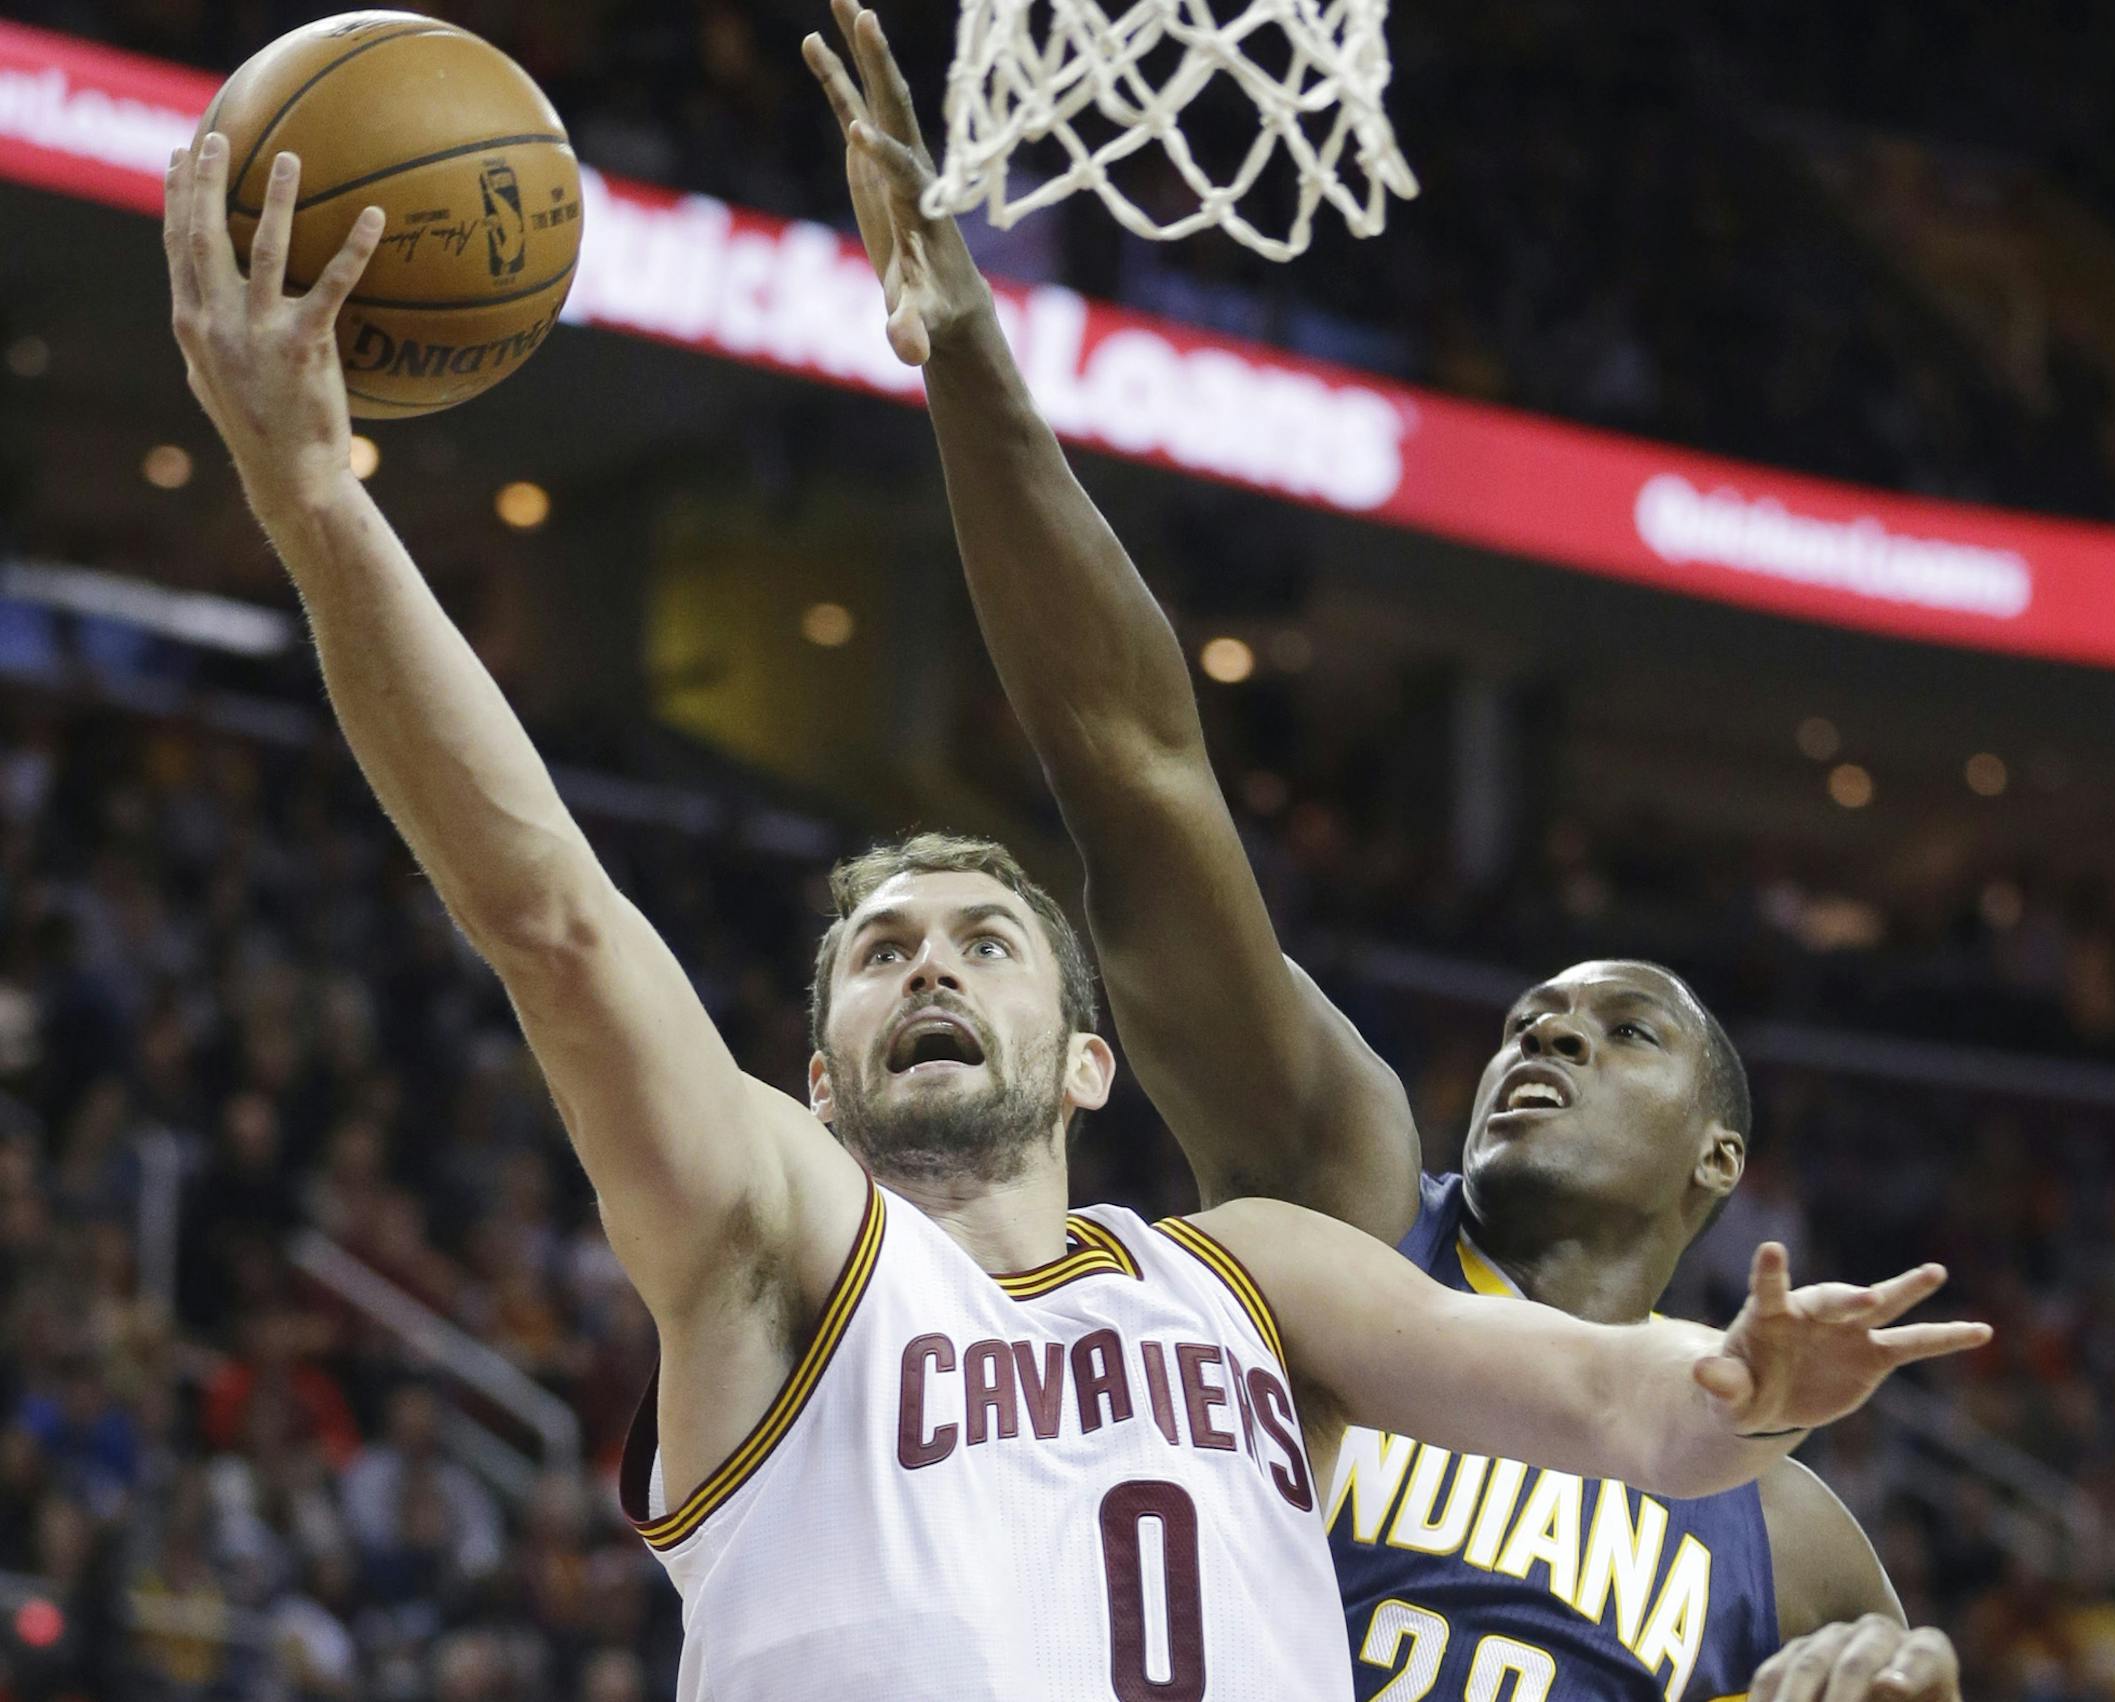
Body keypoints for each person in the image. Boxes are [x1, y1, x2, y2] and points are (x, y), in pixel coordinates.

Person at [161, 70, 1983, 1702]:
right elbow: (551, 915)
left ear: (1093, 1059)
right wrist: (317, 493)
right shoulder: (775, 1249)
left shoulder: (1253, 1275)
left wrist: (1731, 1394)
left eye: (985, 938)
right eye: (873, 954)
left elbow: (1614, 1402)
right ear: (818, 1076)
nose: (926, 966)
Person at [805, 5, 1970, 1700]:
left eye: (1621, 1025)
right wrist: (970, 356)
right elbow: (1135, 772)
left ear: (1721, 1160)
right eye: (1534, 1017)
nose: (1545, 1033)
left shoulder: (1792, 1537)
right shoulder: (1339, 1194)